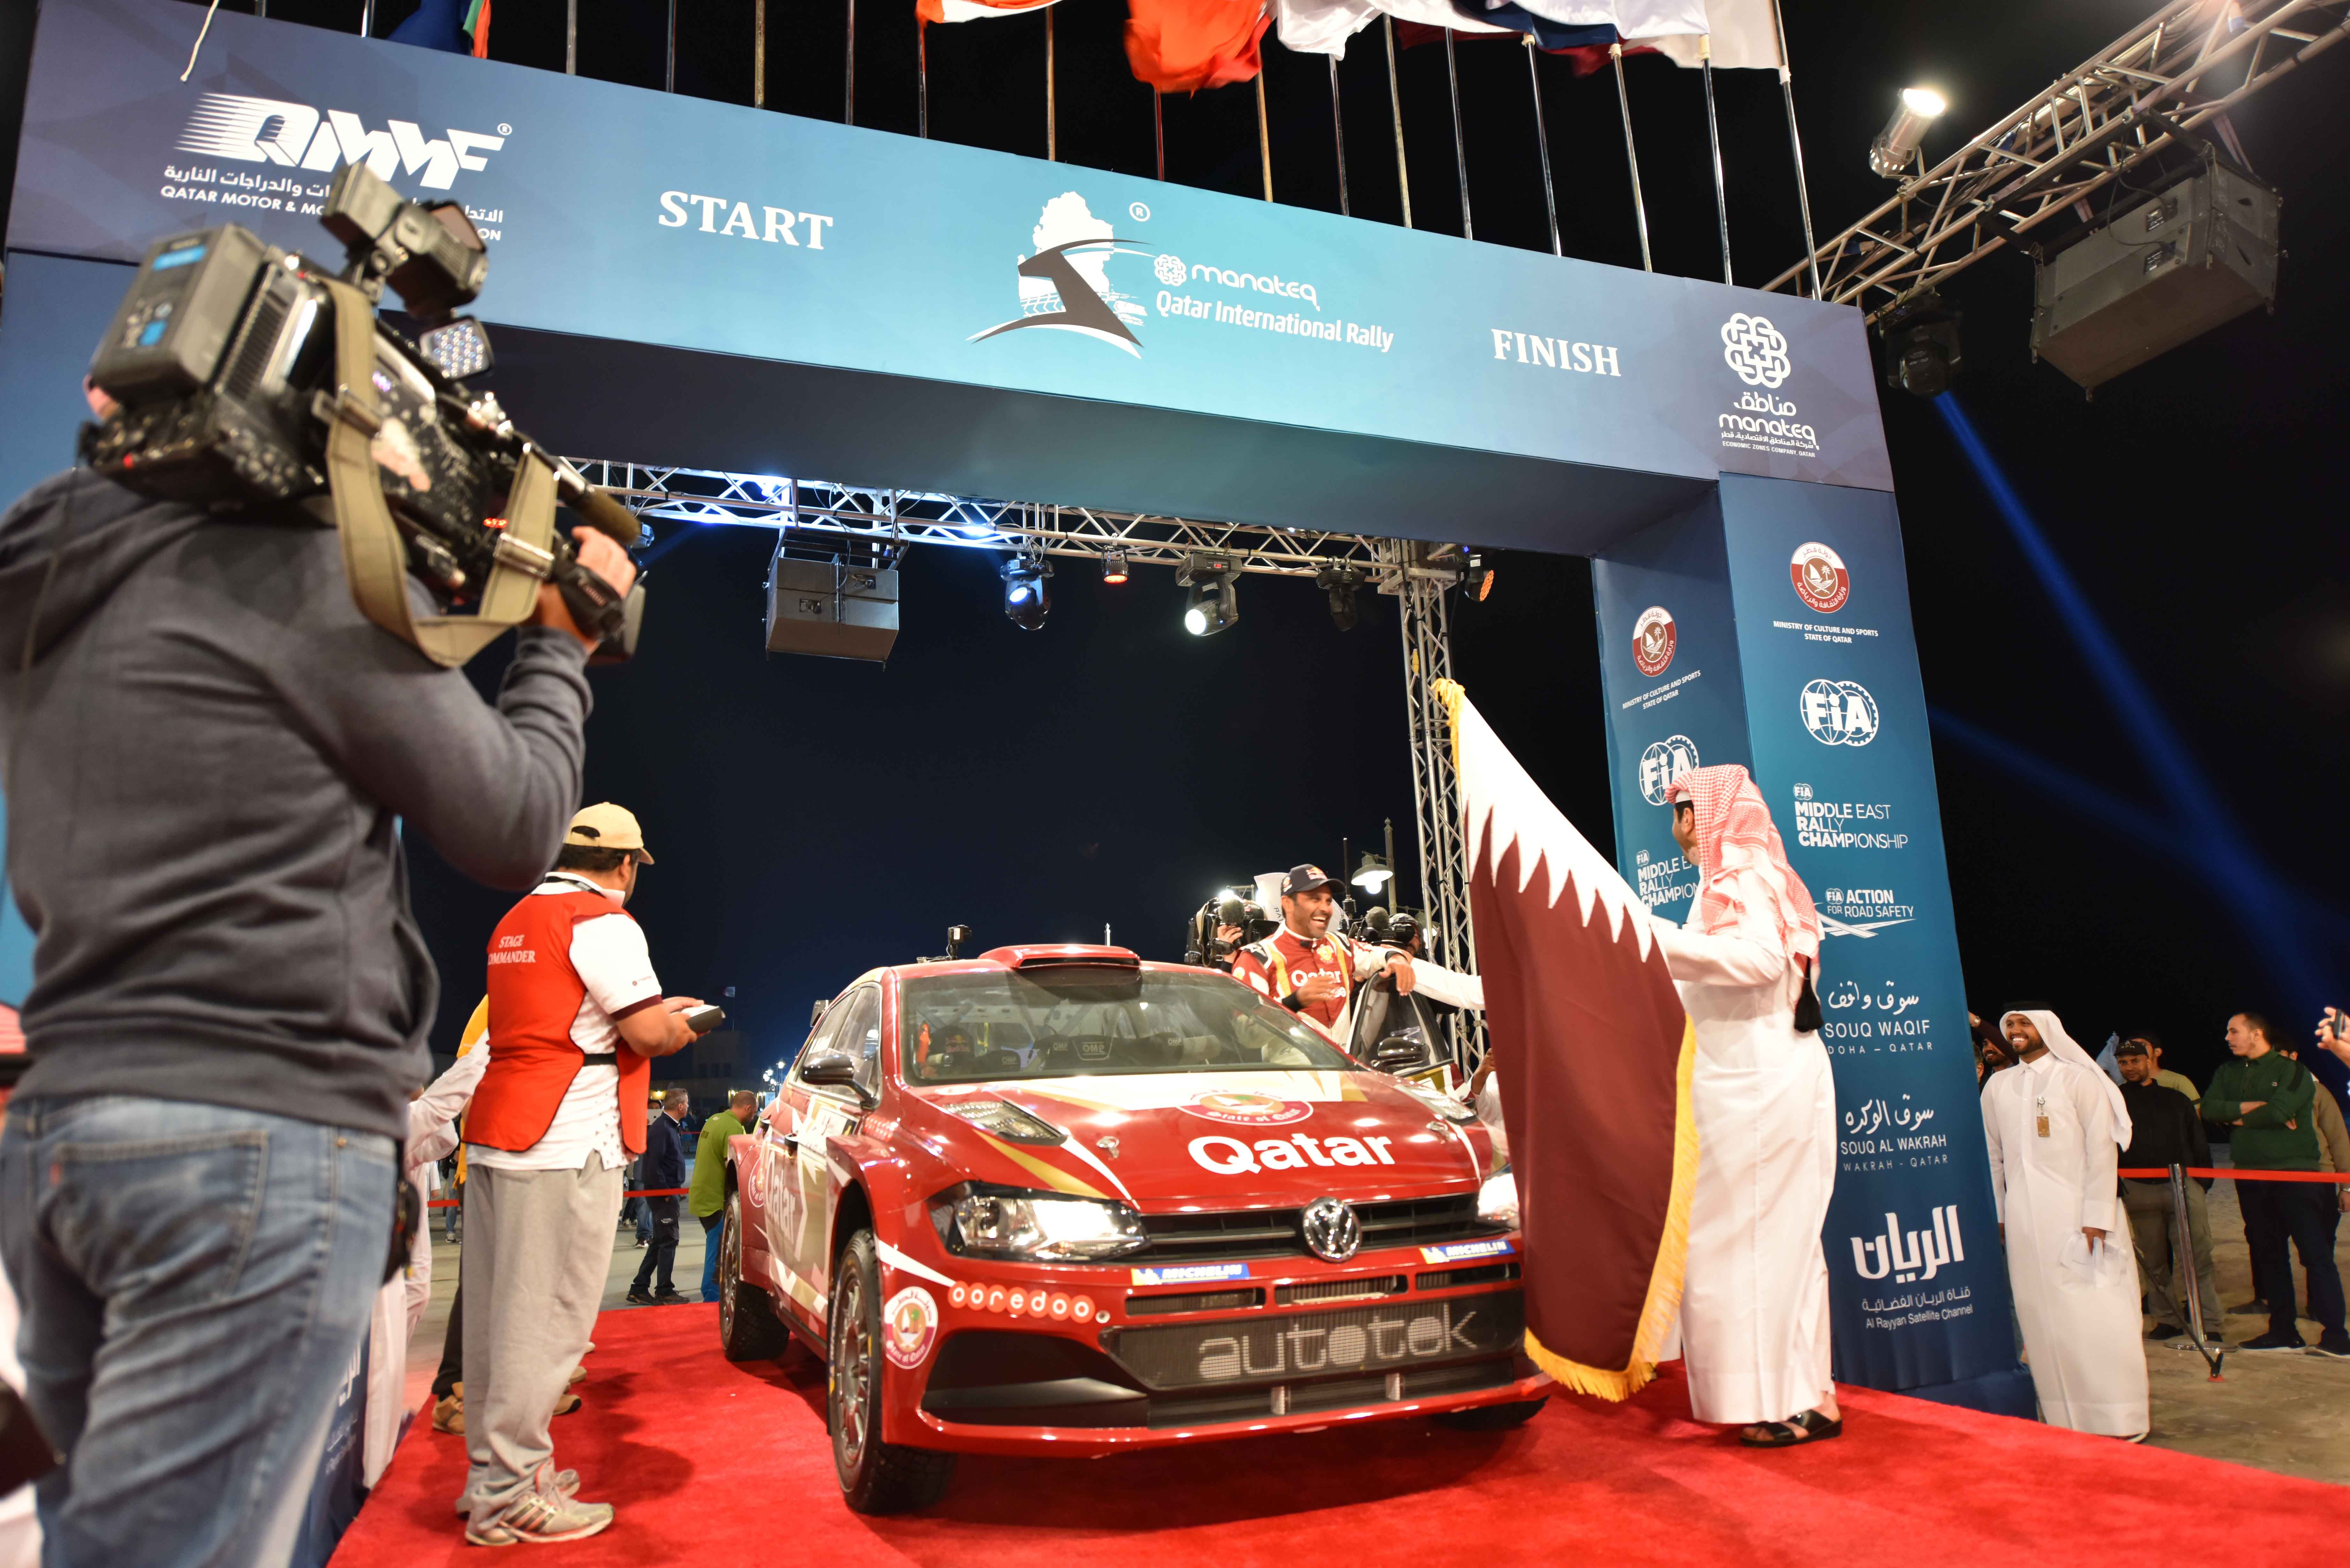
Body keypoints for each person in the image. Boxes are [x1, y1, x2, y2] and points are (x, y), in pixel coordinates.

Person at [0, 455, 629, 1564]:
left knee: (96, 1537)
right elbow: (511, 817)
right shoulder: (296, 576)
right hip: (254, 1126)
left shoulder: (56, 581)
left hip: (67, 1121)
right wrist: (560, 645)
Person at [459, 804, 702, 1544]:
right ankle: (509, 1493)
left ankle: (496, 1476)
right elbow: (646, 1031)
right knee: (548, 1322)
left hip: (501, 1132)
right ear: (627, 864)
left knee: (496, 1322)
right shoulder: (603, 921)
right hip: (566, 1141)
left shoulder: (516, 920)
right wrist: (680, 1023)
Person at [1655, 766, 1839, 1449]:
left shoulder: (1746, 877)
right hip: (1746, 1085)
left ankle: (1791, 1399)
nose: (1679, 829)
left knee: (1760, 1249)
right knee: (1773, 1246)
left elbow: (1761, 961)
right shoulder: (1730, 883)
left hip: (1760, 1088)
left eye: (1682, 813)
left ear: (1701, 815)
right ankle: (1807, 1395)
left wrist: (1643, 933)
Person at [1986, 1009, 2149, 1439]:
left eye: (2024, 1024)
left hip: (2080, 1219)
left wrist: (2096, 1216)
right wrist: (1999, 1213)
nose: (2016, 1032)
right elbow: (1992, 1156)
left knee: (2096, 1316)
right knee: (2041, 1318)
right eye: (2010, 1025)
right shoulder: (1999, 1085)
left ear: (2047, 1028)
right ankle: (2061, 1420)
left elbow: (2102, 1151)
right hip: (2024, 1221)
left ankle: (2118, 1419)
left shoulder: (2078, 1079)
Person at [2204, 1012, 2346, 1356]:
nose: (2227, 1038)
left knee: (2316, 1256)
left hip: (2298, 1176)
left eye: (2234, 1031)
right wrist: (2254, 1108)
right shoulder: (2227, 1072)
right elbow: (2208, 1109)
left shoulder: (2294, 1071)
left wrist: (2236, 1116)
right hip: (2251, 1177)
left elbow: (2280, 1111)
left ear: (2256, 1034)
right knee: (2270, 1255)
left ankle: (2337, 1337)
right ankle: (2283, 1332)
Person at [1227, 865, 1482, 1046]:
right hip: (1290, 1086)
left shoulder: (1340, 945)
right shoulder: (1256, 957)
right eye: (1314, 899)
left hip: (1345, 1079)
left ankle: (1495, 992)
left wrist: (1396, 959)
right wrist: (1296, 1002)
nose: (1325, 909)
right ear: (1288, 904)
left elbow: (1379, 956)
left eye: (1328, 901)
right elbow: (1246, 1038)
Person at [2112, 1038, 2219, 1342]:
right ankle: (2167, 1320)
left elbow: (2198, 1141)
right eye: (2124, 1063)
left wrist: (2201, 1182)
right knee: (2155, 1261)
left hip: (2182, 1187)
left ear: (2149, 1061)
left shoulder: (2176, 1099)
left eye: (2135, 1061)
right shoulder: (2114, 1101)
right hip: (2139, 1190)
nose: (2130, 1068)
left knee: (2198, 1258)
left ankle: (2209, 1322)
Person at [628, 1089, 693, 1306]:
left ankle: (639, 1288)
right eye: (687, 1103)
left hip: (666, 1193)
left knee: (660, 1241)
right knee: (669, 1241)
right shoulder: (663, 1129)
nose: (688, 1106)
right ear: (681, 1106)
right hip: (664, 1194)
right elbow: (653, 1166)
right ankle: (664, 1291)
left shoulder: (669, 1127)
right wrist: (665, 1193)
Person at [693, 1091, 758, 1302]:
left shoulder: (715, 1120)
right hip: (715, 1202)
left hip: (702, 1195)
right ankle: (712, 1297)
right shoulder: (734, 1129)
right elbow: (734, 1168)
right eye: (754, 1113)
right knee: (719, 1252)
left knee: (716, 1247)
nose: (753, 1118)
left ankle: (712, 1293)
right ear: (748, 1108)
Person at [2125, 1032, 2200, 1109]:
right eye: (2131, 1046)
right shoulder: (2125, 1083)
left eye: (2142, 1045)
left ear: (2157, 1052)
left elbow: (2194, 1115)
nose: (2135, 1050)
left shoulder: (2179, 1082)